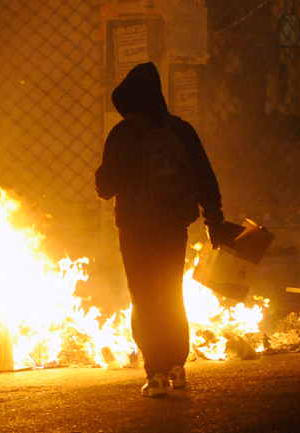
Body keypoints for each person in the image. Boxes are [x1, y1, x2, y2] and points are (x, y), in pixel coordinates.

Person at [95, 62, 226, 398]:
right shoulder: (180, 131)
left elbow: (106, 187)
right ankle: (176, 366)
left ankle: (154, 373)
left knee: (144, 297)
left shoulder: (123, 134)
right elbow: (204, 177)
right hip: (172, 226)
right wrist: (215, 220)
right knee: (171, 294)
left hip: (135, 229)